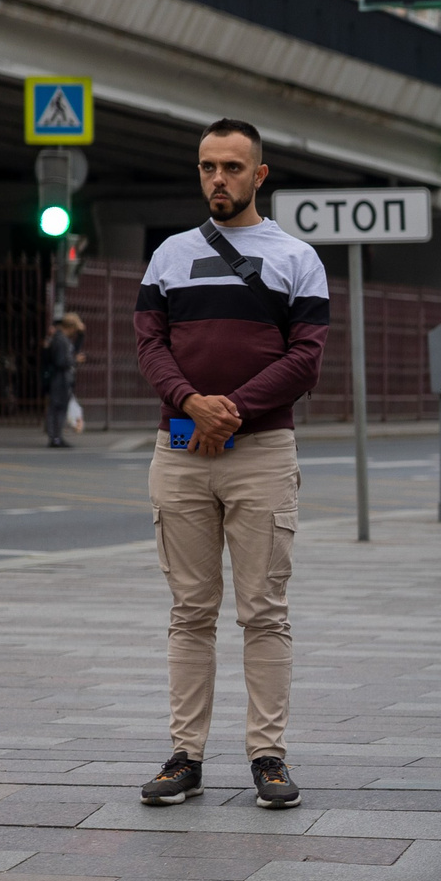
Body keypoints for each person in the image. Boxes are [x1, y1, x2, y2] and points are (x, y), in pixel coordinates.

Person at [132, 118, 331, 812]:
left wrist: (231, 412)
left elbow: (306, 359)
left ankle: (267, 756)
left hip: (262, 451)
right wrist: (192, 403)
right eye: (207, 166)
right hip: (181, 446)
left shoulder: (297, 258)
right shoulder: (168, 256)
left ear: (259, 175)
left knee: (264, 611)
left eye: (232, 167)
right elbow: (150, 346)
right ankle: (184, 756)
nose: (218, 178)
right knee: (190, 610)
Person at [41, 314, 84, 447]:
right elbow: (60, 361)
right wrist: (74, 360)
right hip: (59, 380)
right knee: (57, 408)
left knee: (59, 408)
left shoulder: (62, 339)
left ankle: (57, 436)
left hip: (62, 379)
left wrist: (82, 335)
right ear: (70, 327)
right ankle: (55, 437)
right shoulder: (60, 339)